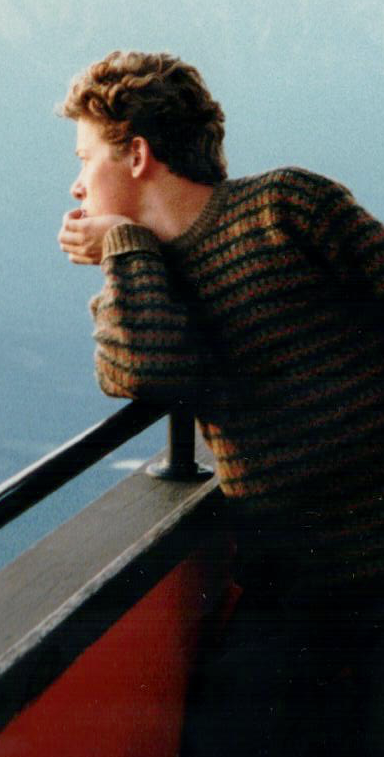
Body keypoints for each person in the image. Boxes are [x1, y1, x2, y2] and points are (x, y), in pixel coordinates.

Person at [56, 50, 384, 756]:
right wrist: (124, 243)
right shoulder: (143, 282)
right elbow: (149, 373)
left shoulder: (287, 205)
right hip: (291, 592)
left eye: (85, 158)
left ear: (136, 153)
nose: (76, 185)